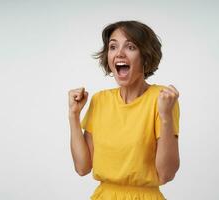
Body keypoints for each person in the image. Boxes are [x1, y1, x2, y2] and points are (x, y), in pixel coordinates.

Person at [68, 20, 180, 200]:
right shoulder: (100, 100)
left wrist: (166, 117)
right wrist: (73, 115)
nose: (119, 53)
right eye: (113, 47)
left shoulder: (161, 99)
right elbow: (82, 168)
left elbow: (166, 174)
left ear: (145, 55)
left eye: (130, 47)